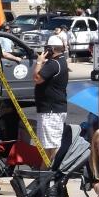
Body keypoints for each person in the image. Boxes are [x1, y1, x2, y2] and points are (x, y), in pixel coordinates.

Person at [33, 35, 68, 168]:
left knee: (51, 146)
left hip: (51, 112)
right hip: (53, 110)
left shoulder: (54, 64)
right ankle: (46, 171)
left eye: (47, 48)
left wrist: (39, 62)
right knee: (49, 145)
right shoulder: (61, 61)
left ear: (52, 49)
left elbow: (37, 78)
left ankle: (48, 173)